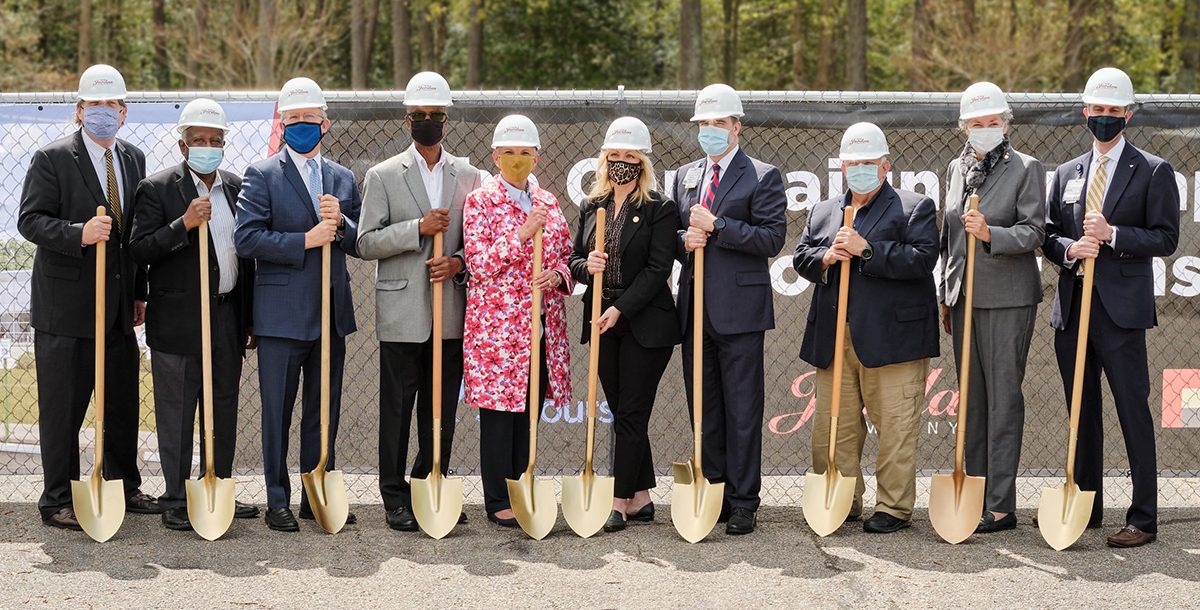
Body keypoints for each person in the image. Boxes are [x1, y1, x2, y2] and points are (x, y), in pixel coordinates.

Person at [1042, 67, 1179, 548]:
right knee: (1081, 411)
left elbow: (1166, 237)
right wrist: (1068, 249)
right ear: (1085, 113)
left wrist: (1114, 236)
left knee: (1132, 411)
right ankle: (1088, 506)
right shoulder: (1066, 172)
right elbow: (1048, 235)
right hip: (1073, 308)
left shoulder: (1153, 170)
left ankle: (1143, 517)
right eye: (1096, 111)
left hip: (1121, 314)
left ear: (1128, 114)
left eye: (1112, 111)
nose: (1104, 118)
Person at [17, 64, 159, 530]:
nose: (103, 112)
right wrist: (79, 233)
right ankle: (57, 497)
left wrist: (138, 293)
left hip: (117, 308)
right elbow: (31, 221)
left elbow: (133, 234)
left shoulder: (133, 159)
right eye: (93, 105)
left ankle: (123, 484)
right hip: (66, 310)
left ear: (124, 112)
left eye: (111, 105)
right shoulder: (52, 158)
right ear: (79, 110)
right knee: (63, 406)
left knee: (120, 401)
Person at [793, 122, 939, 534]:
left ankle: (893, 508)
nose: (859, 169)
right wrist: (826, 257)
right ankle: (844, 501)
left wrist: (867, 250)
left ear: (885, 166)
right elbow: (802, 255)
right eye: (852, 163)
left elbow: (922, 259)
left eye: (868, 163)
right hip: (834, 338)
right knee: (833, 428)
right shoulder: (823, 210)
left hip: (894, 341)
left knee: (895, 427)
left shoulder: (914, 207)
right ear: (841, 167)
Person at [234, 77, 362, 532]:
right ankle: (277, 499)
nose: (303, 125)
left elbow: (359, 241)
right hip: (282, 318)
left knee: (322, 412)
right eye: (294, 120)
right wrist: (306, 240)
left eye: (310, 119)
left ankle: (315, 495)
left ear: (325, 123)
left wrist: (341, 223)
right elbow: (246, 238)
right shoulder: (262, 174)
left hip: (330, 313)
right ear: (282, 124)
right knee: (277, 413)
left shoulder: (342, 178)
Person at [130, 99, 261, 531]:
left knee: (222, 407)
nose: (208, 146)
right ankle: (174, 496)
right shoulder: (158, 188)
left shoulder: (238, 188)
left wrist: (248, 319)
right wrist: (182, 224)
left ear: (224, 144)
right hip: (179, 320)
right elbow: (140, 249)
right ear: (183, 145)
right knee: (178, 409)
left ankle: (216, 486)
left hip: (226, 315)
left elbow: (246, 259)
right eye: (199, 140)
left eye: (215, 141)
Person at [357, 72, 479, 531]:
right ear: (408, 119)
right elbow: (366, 241)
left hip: (450, 313)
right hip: (403, 314)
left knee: (442, 406)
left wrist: (460, 262)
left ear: (446, 119)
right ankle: (394, 495)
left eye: (436, 116)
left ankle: (431, 482)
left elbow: (481, 241)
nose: (428, 122)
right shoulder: (384, 175)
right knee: (397, 407)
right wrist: (417, 231)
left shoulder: (469, 175)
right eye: (420, 116)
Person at [673, 83, 787, 535]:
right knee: (705, 406)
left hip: (739, 312)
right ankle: (713, 489)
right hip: (694, 309)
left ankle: (743, 501)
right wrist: (687, 240)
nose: (710, 130)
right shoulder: (685, 175)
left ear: (737, 126)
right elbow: (675, 241)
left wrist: (718, 226)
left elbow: (772, 239)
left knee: (742, 409)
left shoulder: (762, 174)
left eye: (719, 123)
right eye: (704, 124)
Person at [939, 83, 1045, 533]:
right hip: (964, 298)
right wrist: (946, 293)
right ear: (964, 126)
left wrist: (991, 234)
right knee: (974, 402)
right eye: (977, 123)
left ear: (1006, 124)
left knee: (1004, 401)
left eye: (993, 123)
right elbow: (948, 237)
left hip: (1007, 299)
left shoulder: (1026, 168)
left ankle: (1001, 505)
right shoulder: (955, 168)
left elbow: (1034, 232)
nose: (985, 130)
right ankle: (974, 494)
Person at [568, 117, 681, 533]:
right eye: (614, 155)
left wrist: (621, 309)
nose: (621, 162)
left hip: (644, 324)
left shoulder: (659, 208)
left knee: (632, 413)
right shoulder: (591, 205)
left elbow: (657, 270)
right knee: (621, 410)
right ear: (603, 159)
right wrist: (587, 266)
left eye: (629, 156)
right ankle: (644, 497)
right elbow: (574, 261)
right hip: (601, 319)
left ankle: (618, 502)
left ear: (642, 162)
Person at [462, 114, 574, 527]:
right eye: (508, 152)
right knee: (498, 414)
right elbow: (478, 263)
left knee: (528, 409)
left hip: (539, 328)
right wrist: (521, 236)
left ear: (537, 157)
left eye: (524, 152)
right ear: (494, 156)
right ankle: (497, 499)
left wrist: (558, 275)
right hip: (497, 331)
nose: (516, 159)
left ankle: (523, 481)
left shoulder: (548, 201)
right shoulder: (480, 201)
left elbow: (566, 257)